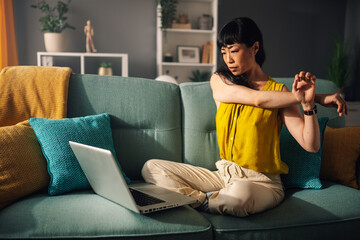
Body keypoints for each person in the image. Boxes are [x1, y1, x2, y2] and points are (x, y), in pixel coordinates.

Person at [142, 17, 347, 217]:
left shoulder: (279, 92)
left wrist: (309, 104)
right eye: (224, 52)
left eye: (234, 51)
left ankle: (208, 200)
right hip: (224, 175)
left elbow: (310, 145)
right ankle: (203, 200)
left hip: (262, 183)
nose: (228, 59)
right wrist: (318, 97)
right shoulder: (220, 80)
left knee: (240, 197)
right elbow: (257, 99)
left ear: (255, 48)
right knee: (151, 168)